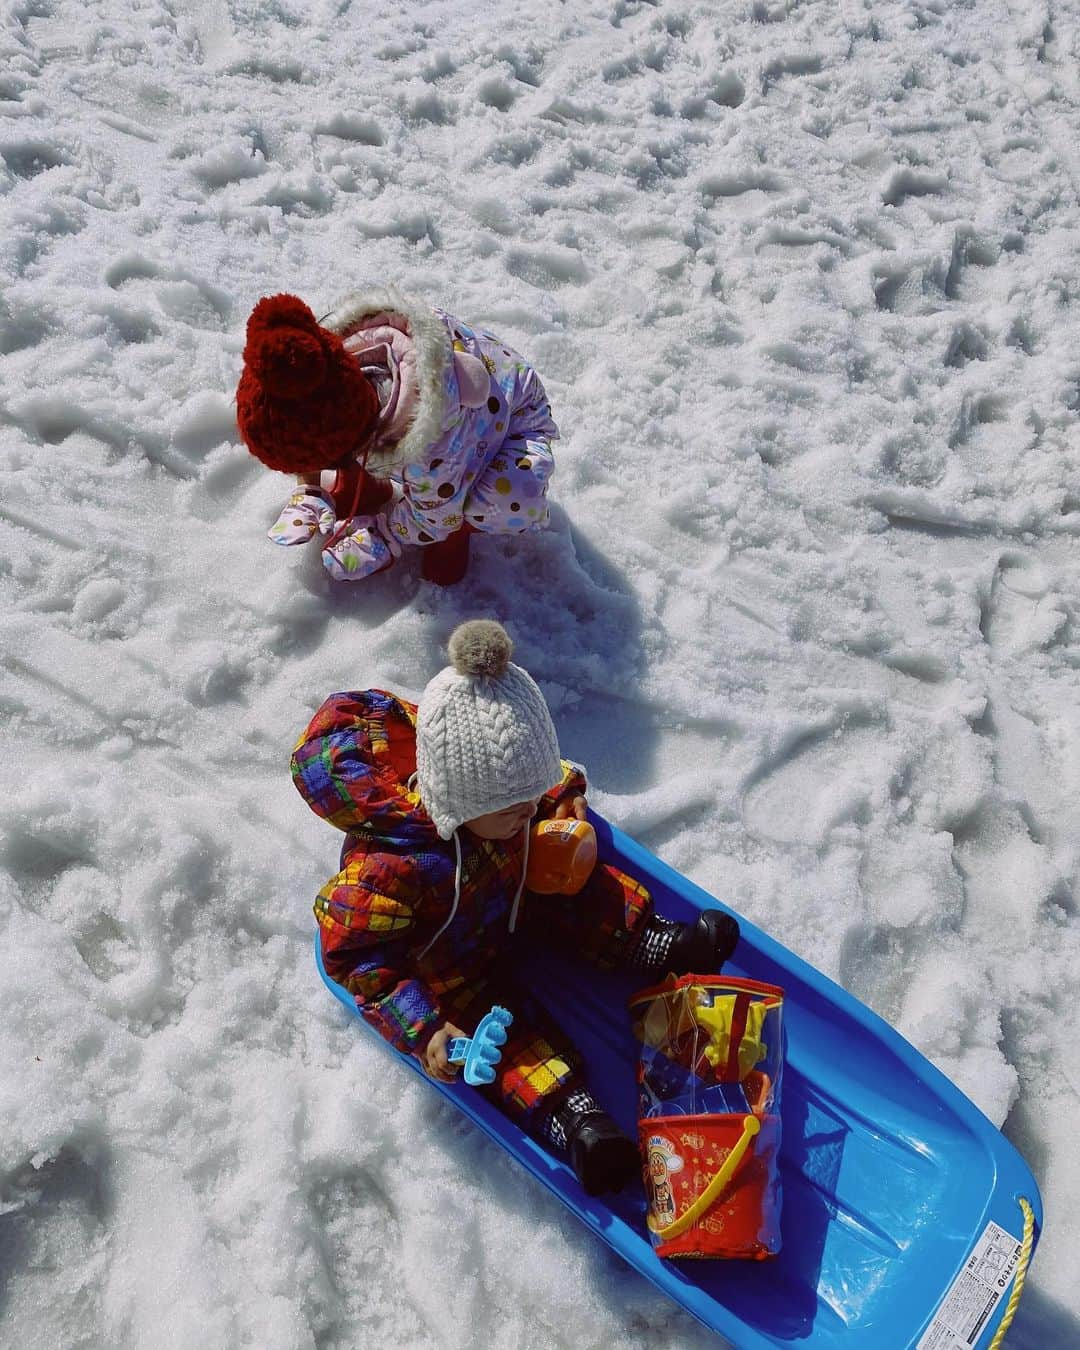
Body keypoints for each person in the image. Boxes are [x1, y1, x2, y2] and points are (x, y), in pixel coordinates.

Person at [291, 620, 740, 1195]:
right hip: (450, 964)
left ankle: (652, 940)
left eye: (532, 794)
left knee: (577, 884)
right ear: (458, 801)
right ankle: (576, 1122)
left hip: (509, 897)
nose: (527, 811)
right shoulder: (389, 872)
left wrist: (562, 796)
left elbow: (536, 778)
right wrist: (425, 1028)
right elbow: (359, 964)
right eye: (514, 804)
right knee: (499, 1030)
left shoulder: (504, 802)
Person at [235, 289, 559, 586]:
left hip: (513, 425)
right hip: (456, 387)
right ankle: (366, 487)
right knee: (348, 428)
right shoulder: (331, 358)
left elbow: (435, 516)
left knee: (510, 496)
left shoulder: (433, 459)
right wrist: (309, 486)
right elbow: (312, 423)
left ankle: (461, 531)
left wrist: (388, 533)